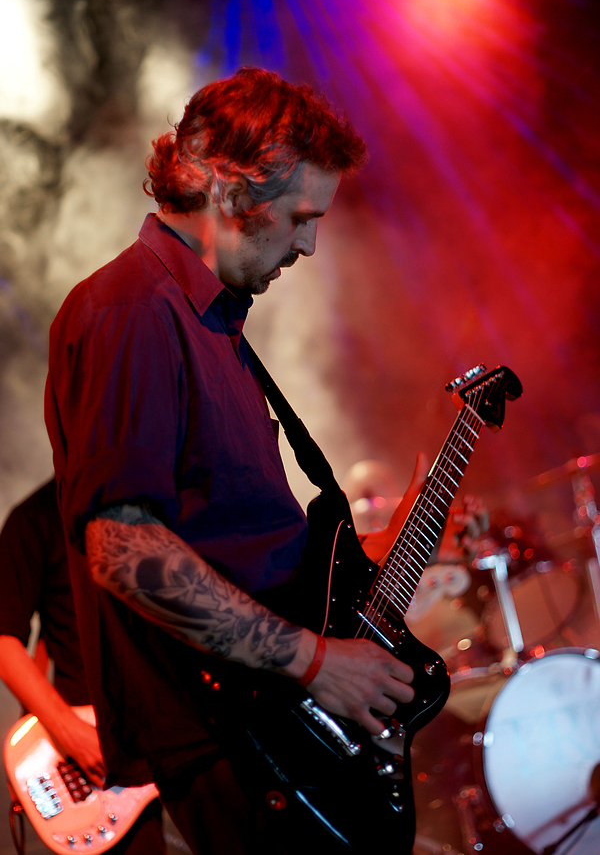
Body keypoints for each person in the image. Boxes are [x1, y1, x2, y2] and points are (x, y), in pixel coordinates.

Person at [44, 67, 435, 854]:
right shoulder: (131, 310)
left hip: (267, 734)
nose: (309, 242)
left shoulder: (213, 324)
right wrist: (317, 661)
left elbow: (235, 546)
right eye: (298, 216)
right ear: (228, 191)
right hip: (222, 743)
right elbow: (122, 547)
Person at [0, 478, 165, 854]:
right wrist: (66, 731)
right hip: (99, 764)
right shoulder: (36, 517)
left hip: (176, 736)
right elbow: (7, 641)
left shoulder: (164, 503)